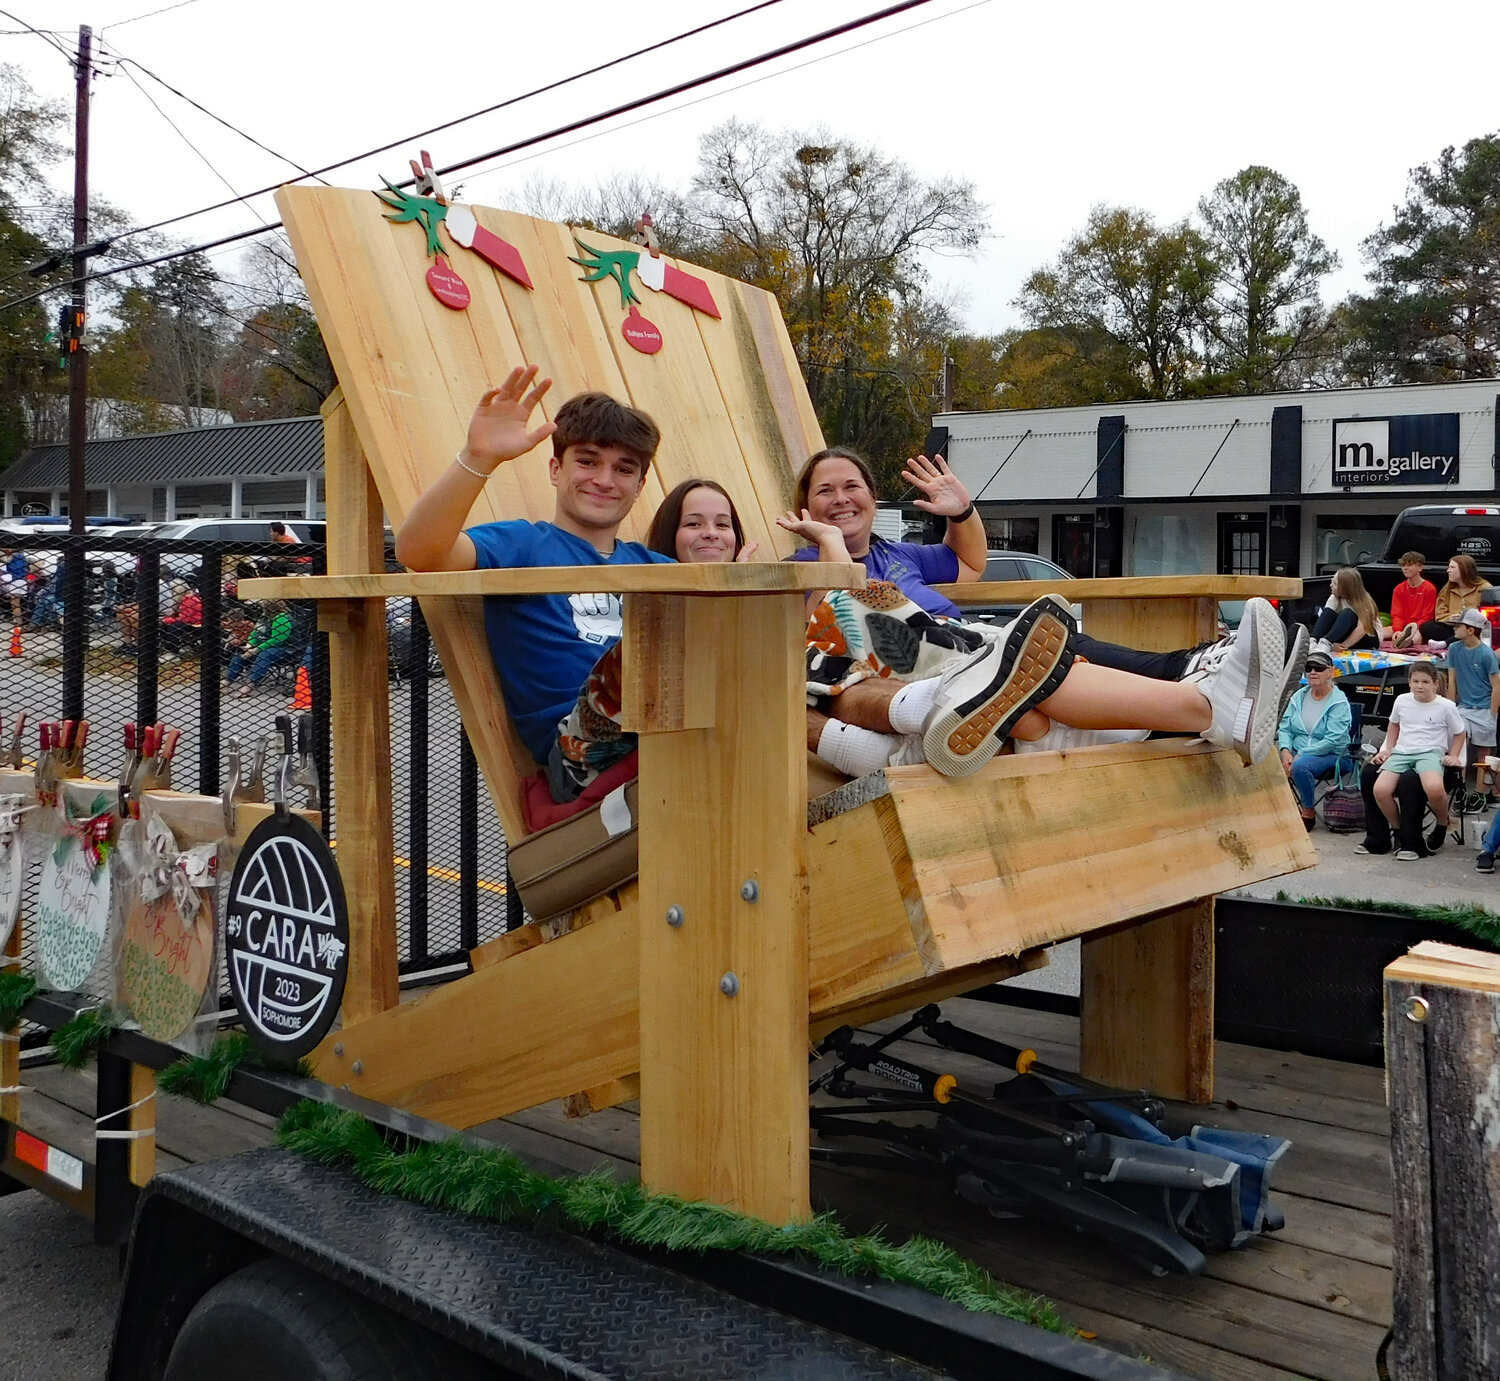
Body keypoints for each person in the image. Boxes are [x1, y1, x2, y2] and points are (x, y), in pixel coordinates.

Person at [397, 370, 1288, 804]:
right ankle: (937, 705)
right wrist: (477, 458)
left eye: (623, 468)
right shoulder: (519, 541)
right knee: (730, 633)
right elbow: (422, 553)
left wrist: (831, 584)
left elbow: (927, 577)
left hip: (698, 706)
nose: (604, 479)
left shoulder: (652, 567)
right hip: (585, 739)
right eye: (586, 461)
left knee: (830, 618)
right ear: (554, 464)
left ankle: (1201, 708)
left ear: (640, 485)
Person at [1363, 661, 1466, 862]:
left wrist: (1453, 755)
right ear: (1409, 682)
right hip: (1403, 751)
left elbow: (1460, 733)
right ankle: (1399, 830)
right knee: (1380, 790)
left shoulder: (1446, 706)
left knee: (1434, 787)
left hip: (1430, 752)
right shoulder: (1402, 700)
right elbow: (1393, 725)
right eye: (1415, 681)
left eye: (1425, 682)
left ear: (1435, 684)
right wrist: (1388, 750)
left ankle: (1442, 823)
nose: (1420, 686)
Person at [1277, 649, 1353, 830]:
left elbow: (1332, 740)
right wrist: (1285, 750)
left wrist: (1301, 754)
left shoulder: (1339, 702)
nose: (1312, 672)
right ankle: (1278, 809)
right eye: (1309, 667)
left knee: (1301, 766)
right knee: (1264, 760)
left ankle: (1308, 811)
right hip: (1298, 752)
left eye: (1318, 667)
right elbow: (1285, 727)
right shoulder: (1298, 696)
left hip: (1333, 755)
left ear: (1331, 671)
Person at [1443, 607, 1499, 795]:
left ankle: (1480, 794)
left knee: (1484, 752)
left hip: (1484, 709)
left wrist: (1492, 714)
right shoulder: (1454, 649)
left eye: (1458, 625)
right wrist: (1450, 709)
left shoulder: (1486, 654)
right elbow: (1452, 681)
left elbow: (1496, 686)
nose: (1454, 628)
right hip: (1464, 707)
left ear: (1471, 630)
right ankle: (1460, 789)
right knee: (1460, 746)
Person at [226, 599, 297, 695]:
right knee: (240, 653)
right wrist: (249, 645)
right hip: (264, 646)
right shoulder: (264, 617)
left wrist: (256, 649)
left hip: (286, 649)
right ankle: (227, 680)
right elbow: (255, 632)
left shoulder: (282, 618)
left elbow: (277, 639)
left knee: (265, 654)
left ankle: (251, 684)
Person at [1308, 567, 1380, 654]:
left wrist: (1343, 645)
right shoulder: (1334, 598)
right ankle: (1313, 641)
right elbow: (1326, 618)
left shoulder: (1364, 601)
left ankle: (1326, 643)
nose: (1330, 585)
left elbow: (1362, 629)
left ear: (1344, 588)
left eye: (1334, 583)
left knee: (1347, 613)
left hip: (1367, 637)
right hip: (1346, 634)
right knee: (1328, 612)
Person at [1416, 555, 1485, 645]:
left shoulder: (1483, 588)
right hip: (1453, 628)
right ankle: (1456, 641)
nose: (1448, 570)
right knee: (1427, 627)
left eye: (1452, 567)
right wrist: (1450, 618)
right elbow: (1439, 614)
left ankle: (1446, 643)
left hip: (1474, 629)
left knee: (1472, 630)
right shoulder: (1447, 589)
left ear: (1464, 569)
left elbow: (1488, 616)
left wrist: (1467, 619)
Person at [1390, 551, 1437, 648]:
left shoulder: (1429, 588)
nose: (1405, 568)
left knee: (1417, 637)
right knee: (1379, 631)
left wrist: (1412, 628)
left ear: (1420, 567)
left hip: (1418, 627)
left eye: (1409, 565)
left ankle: (1405, 643)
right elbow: (1396, 613)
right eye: (1403, 565)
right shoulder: (1398, 588)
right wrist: (1398, 630)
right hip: (1402, 626)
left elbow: (1427, 616)